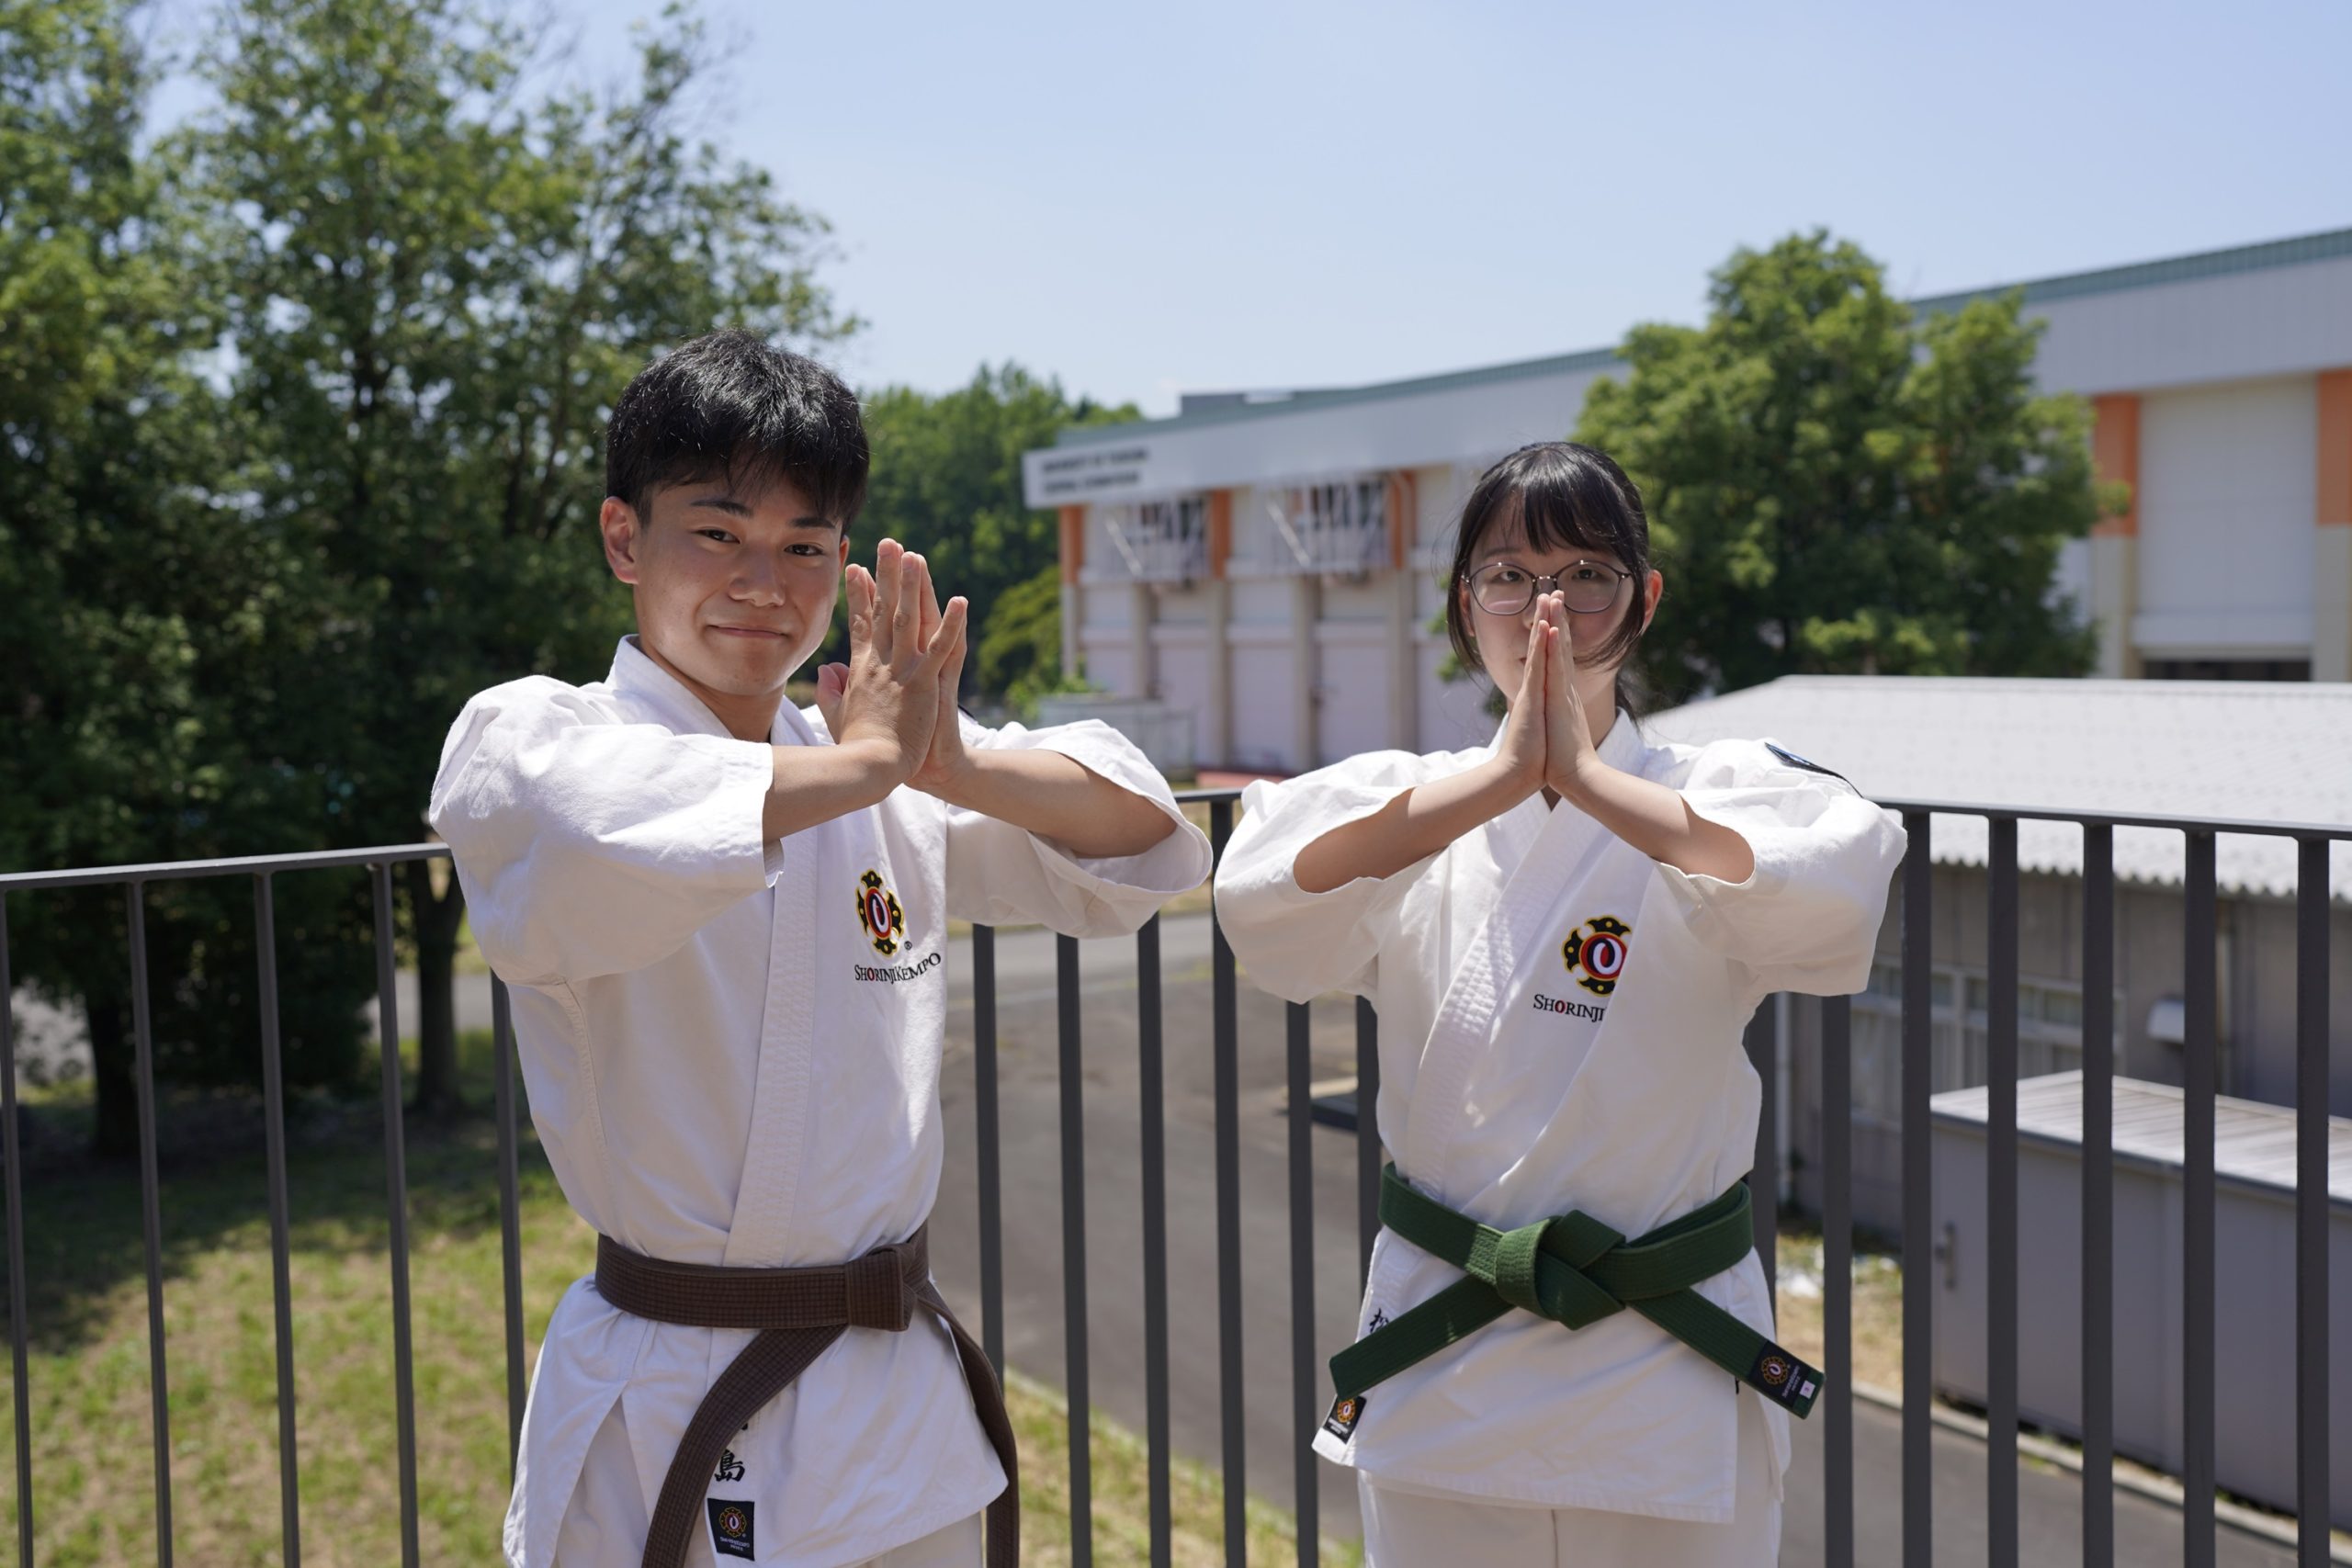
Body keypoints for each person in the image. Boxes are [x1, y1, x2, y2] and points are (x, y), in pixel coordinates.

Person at [430, 330, 1213, 1568]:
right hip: (669, 1388)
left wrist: (944, 763)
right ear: (624, 538)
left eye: (805, 544)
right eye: (719, 532)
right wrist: (866, 764)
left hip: (889, 1407)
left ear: (844, 558)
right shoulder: (539, 736)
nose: (764, 579)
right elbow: (589, 820)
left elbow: (1139, 831)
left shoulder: (878, 765)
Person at [1213, 442, 1905, 1567]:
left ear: (1644, 599)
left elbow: (1835, 884)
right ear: (1463, 603)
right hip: (1447, 1360)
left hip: (1667, 1365)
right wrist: (1494, 785)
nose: (1548, 604)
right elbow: (1263, 903)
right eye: (1510, 574)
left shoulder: (1715, 792)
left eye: (1588, 572)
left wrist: (1588, 784)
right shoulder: (1411, 808)